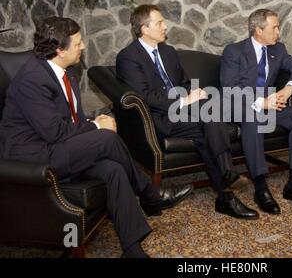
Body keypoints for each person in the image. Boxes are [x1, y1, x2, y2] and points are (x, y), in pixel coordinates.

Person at [0, 16, 193, 258]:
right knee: (106, 139)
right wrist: (96, 126)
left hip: (57, 147)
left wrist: (92, 125)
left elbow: (73, 122)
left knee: (112, 169)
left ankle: (133, 250)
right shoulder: (32, 80)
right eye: (78, 43)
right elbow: (54, 132)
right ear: (60, 49)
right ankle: (148, 193)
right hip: (33, 158)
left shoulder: (65, 73)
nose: (83, 46)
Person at [116, 5, 258, 220]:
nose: (165, 26)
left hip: (185, 112)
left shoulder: (168, 51)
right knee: (209, 120)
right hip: (158, 117)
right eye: (160, 23)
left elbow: (182, 82)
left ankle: (226, 194)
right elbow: (145, 96)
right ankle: (227, 180)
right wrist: (184, 100)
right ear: (144, 28)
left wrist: (194, 91)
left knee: (208, 120)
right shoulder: (128, 57)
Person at [220, 8, 292, 214]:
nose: (279, 32)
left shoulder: (277, 50)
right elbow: (229, 88)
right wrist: (260, 102)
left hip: (271, 106)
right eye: (275, 28)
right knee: (252, 117)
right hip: (243, 108)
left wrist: (288, 89)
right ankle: (261, 188)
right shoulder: (234, 51)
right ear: (258, 30)